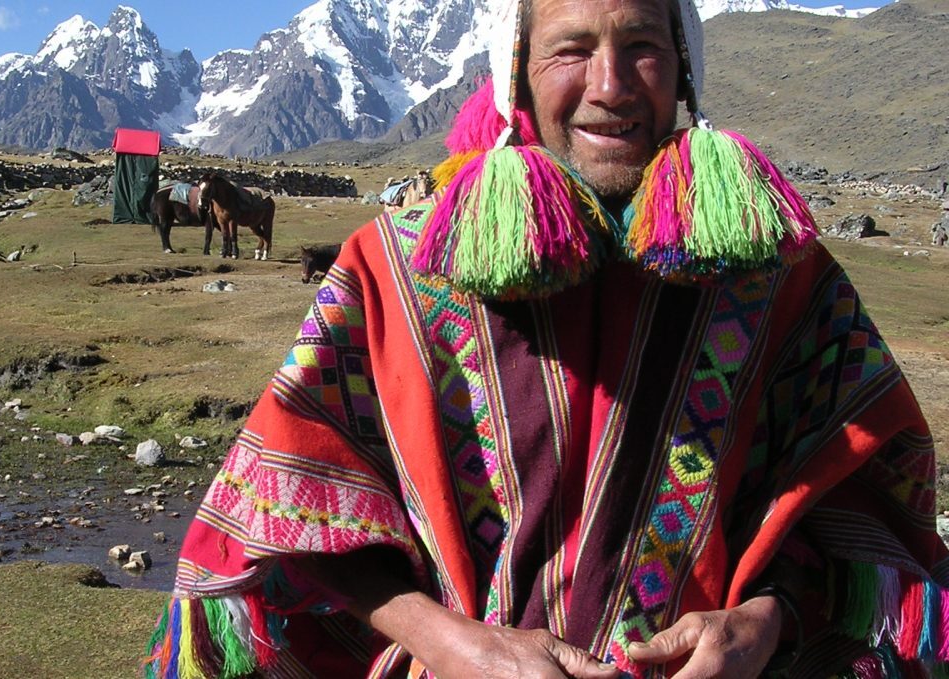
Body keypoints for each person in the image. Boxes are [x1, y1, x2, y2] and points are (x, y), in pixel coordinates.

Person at [147, 0, 949, 676]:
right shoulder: (396, 270)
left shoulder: (776, 278)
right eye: (573, 49)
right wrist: (453, 641)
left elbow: (858, 498)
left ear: (684, 66)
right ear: (517, 70)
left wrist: (763, 619)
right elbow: (290, 506)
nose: (610, 86)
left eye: (642, 46)